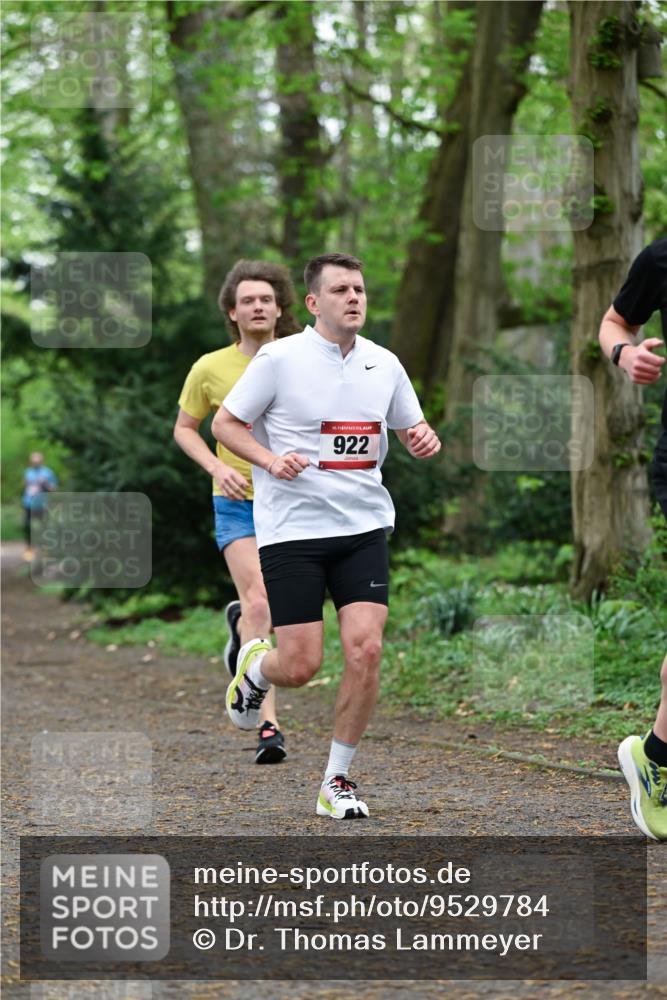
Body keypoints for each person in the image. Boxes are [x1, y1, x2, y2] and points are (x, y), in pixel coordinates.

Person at [212, 252, 441, 819]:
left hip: (363, 527)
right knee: (301, 665)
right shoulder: (278, 359)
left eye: (360, 289)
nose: (355, 298)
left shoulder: (384, 363)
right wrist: (268, 459)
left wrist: (420, 436)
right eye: (341, 290)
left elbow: (408, 423)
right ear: (314, 303)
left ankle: (336, 780)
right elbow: (224, 424)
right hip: (294, 532)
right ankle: (256, 667)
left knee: (366, 648)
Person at [174, 260, 300, 764]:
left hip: (294, 504)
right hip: (237, 503)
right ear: (233, 311)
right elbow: (186, 428)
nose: (258, 307)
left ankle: (241, 640)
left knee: (284, 613)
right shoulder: (210, 367)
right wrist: (214, 468)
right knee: (261, 603)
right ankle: (268, 724)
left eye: (266, 299)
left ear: (279, 308)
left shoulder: (301, 360)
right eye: (248, 300)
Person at [599, 236, 667, 841]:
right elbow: (615, 321)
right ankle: (659, 761)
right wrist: (624, 354)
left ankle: (658, 755)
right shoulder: (662, 256)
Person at [21, 452, 58, 561]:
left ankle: (46, 550)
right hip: (28, 503)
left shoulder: (48, 473)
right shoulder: (28, 472)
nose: (35, 463)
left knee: (45, 527)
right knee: (27, 526)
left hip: (42, 504)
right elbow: (25, 486)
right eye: (33, 462)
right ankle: (29, 549)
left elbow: (53, 489)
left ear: (41, 461)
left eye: (37, 462)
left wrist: (45, 484)